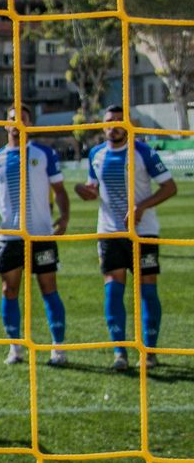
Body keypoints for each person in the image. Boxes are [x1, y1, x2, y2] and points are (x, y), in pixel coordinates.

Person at [74, 105, 177, 370]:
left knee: (147, 290)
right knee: (113, 291)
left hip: (143, 232)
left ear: (128, 124)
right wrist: (85, 191)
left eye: (119, 121)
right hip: (109, 231)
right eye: (110, 121)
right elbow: (94, 189)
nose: (114, 125)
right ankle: (120, 352)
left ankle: (149, 351)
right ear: (103, 126)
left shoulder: (143, 152)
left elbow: (170, 187)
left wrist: (141, 207)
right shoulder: (96, 154)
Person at [0, 107, 70, 366]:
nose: (17, 122)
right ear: (5, 124)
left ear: (29, 123)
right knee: (9, 289)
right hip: (9, 237)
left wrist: (64, 217)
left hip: (40, 235)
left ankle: (58, 348)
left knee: (48, 288)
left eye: (22, 118)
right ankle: (15, 348)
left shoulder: (44, 155)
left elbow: (60, 191)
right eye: (11, 118)